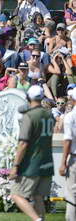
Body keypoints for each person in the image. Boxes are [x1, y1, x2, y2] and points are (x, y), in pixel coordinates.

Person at [10, 85, 54, 221]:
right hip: (47, 160)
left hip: (32, 163)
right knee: (37, 196)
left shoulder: (30, 116)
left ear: (28, 97)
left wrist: (16, 165)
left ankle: (37, 219)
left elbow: (23, 143)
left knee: (16, 195)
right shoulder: (49, 114)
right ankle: (41, 218)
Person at [60, 88, 76, 221]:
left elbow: (68, 140)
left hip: (75, 159)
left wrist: (63, 162)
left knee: (72, 195)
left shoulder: (70, 117)